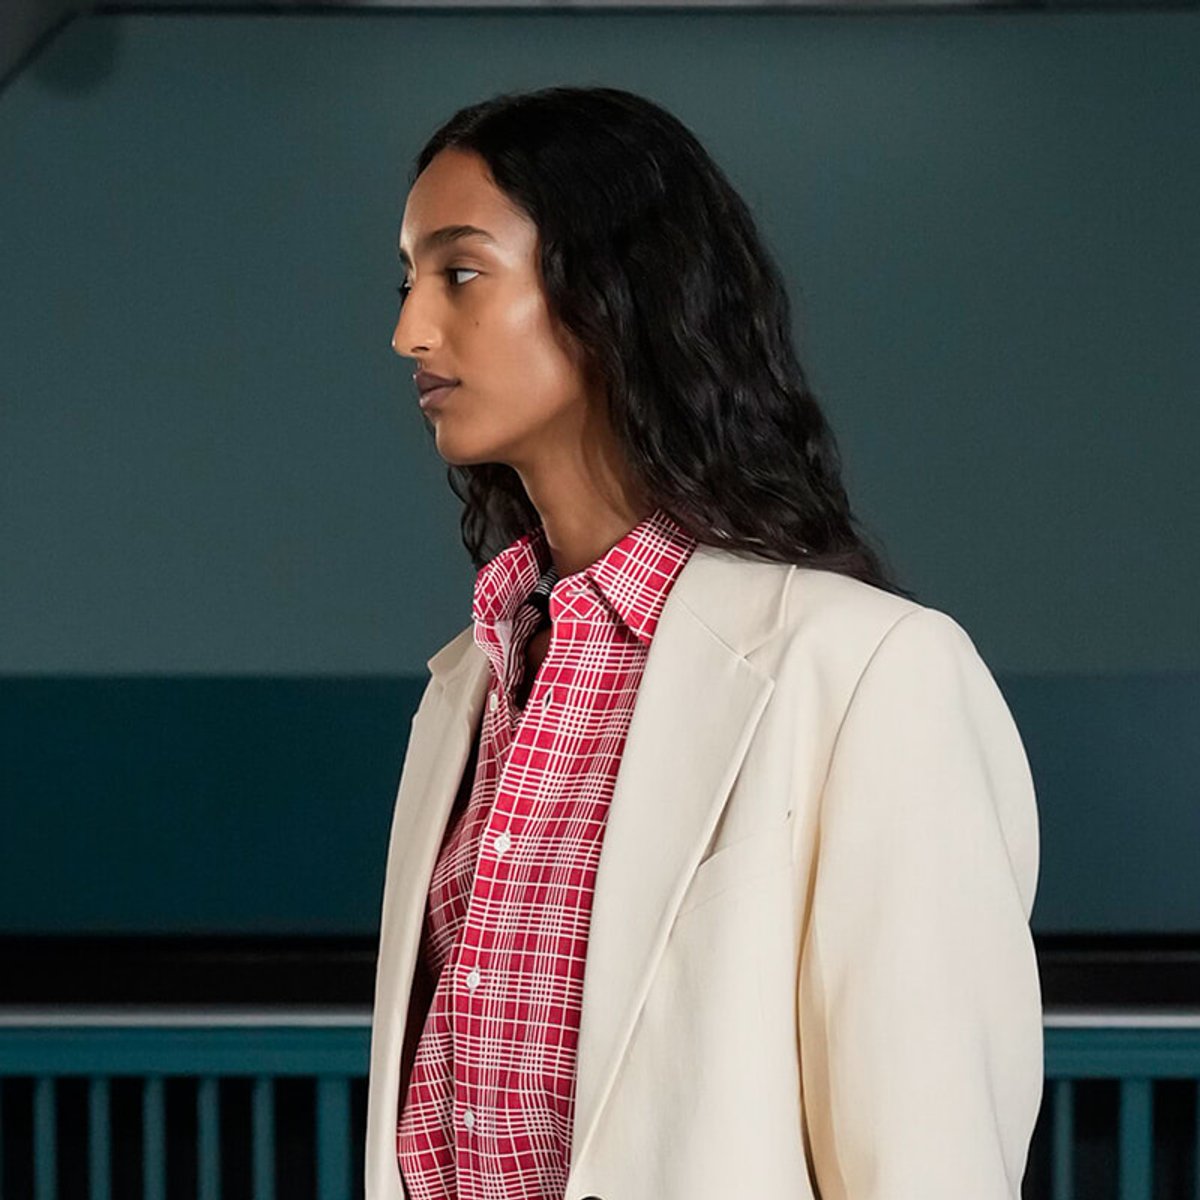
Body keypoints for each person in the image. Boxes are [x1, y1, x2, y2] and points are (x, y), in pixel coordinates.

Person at [365, 85, 1043, 1200]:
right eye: (407, 282)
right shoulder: (470, 686)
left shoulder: (870, 673)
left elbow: (933, 1168)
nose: (409, 332)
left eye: (462, 273)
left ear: (612, 289)